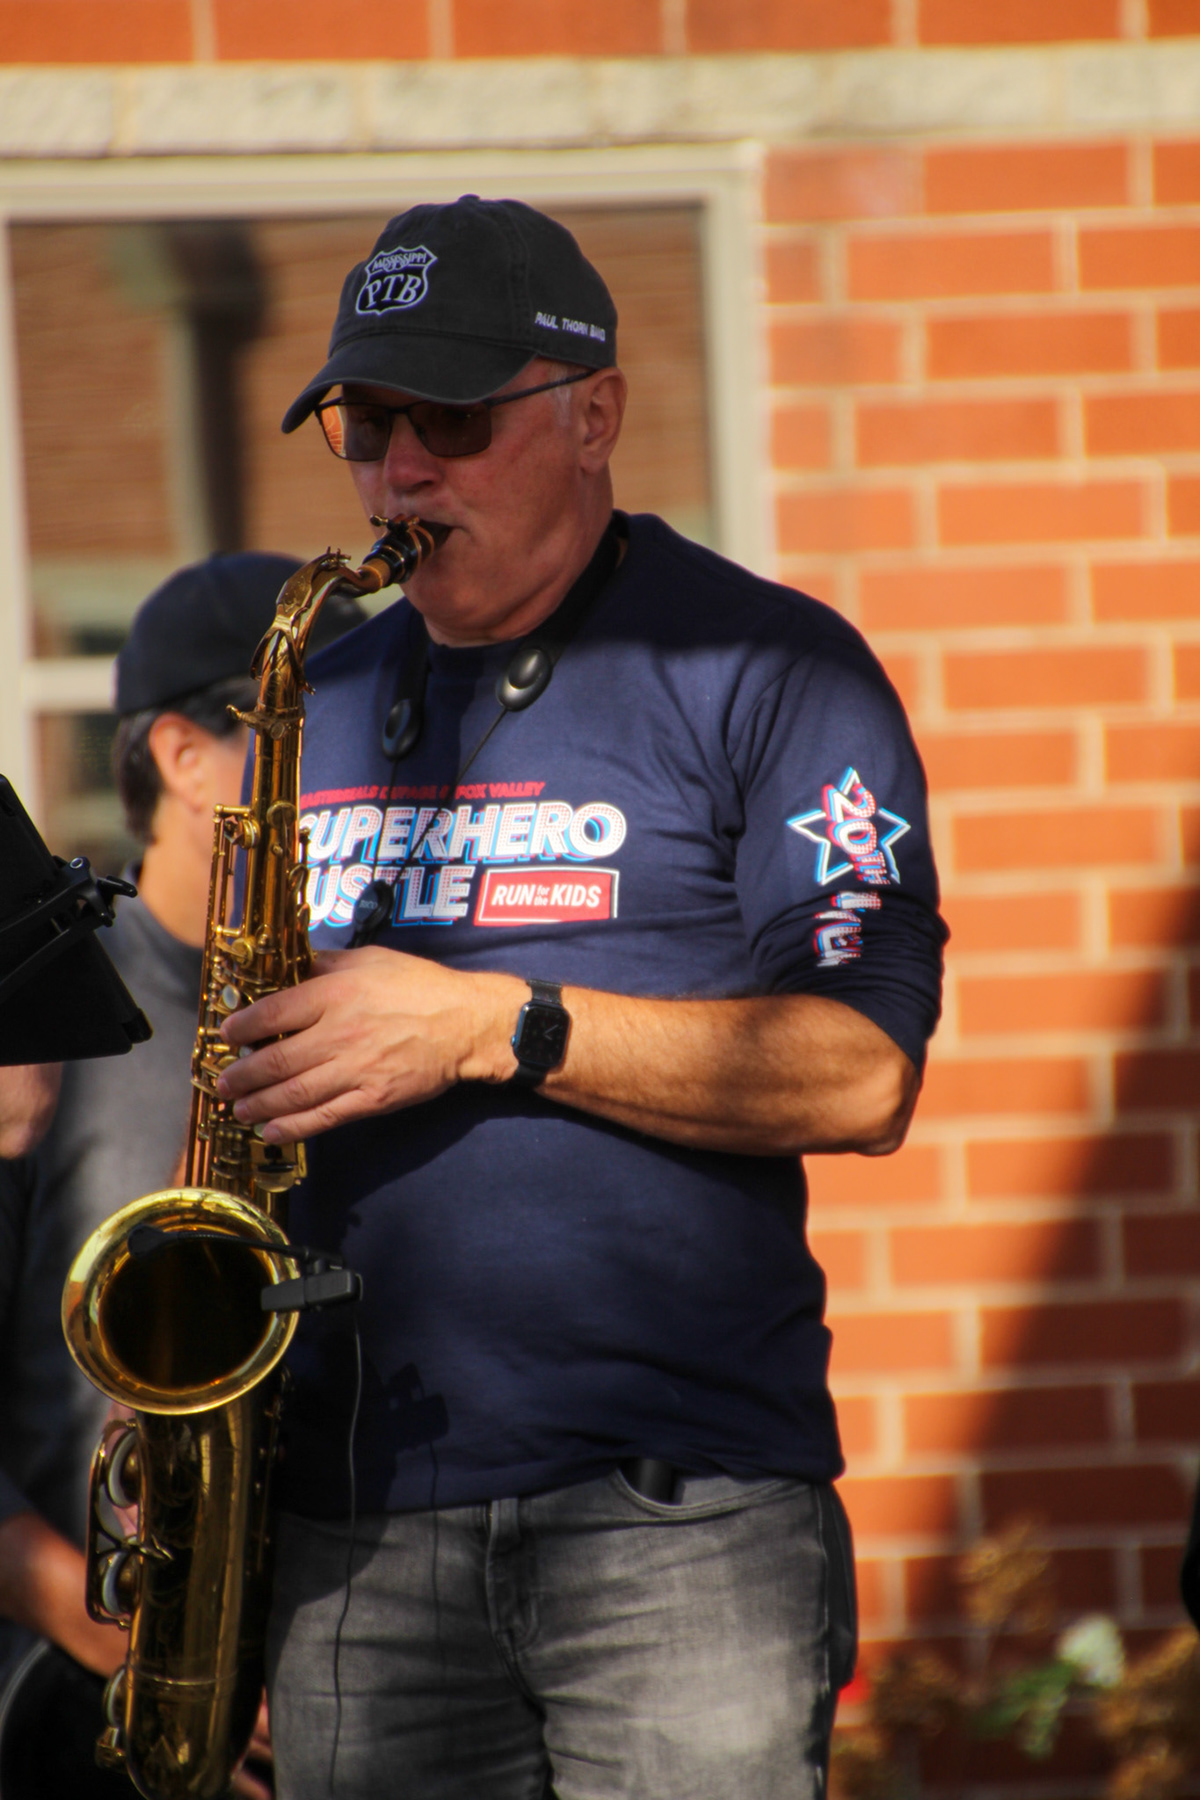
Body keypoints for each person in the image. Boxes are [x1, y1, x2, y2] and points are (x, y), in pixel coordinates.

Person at [218, 195, 947, 1800]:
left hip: (674, 1519)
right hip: (351, 1524)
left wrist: (500, 1025)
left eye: (453, 418)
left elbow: (862, 1075)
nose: (400, 469)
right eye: (365, 421)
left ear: (594, 412)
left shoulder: (769, 670)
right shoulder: (315, 706)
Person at [0, 555, 364, 1796]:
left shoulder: (373, 995)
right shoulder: (43, 1016)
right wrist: (141, 1643)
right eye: (321, 734)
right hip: (74, 1693)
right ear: (183, 753)